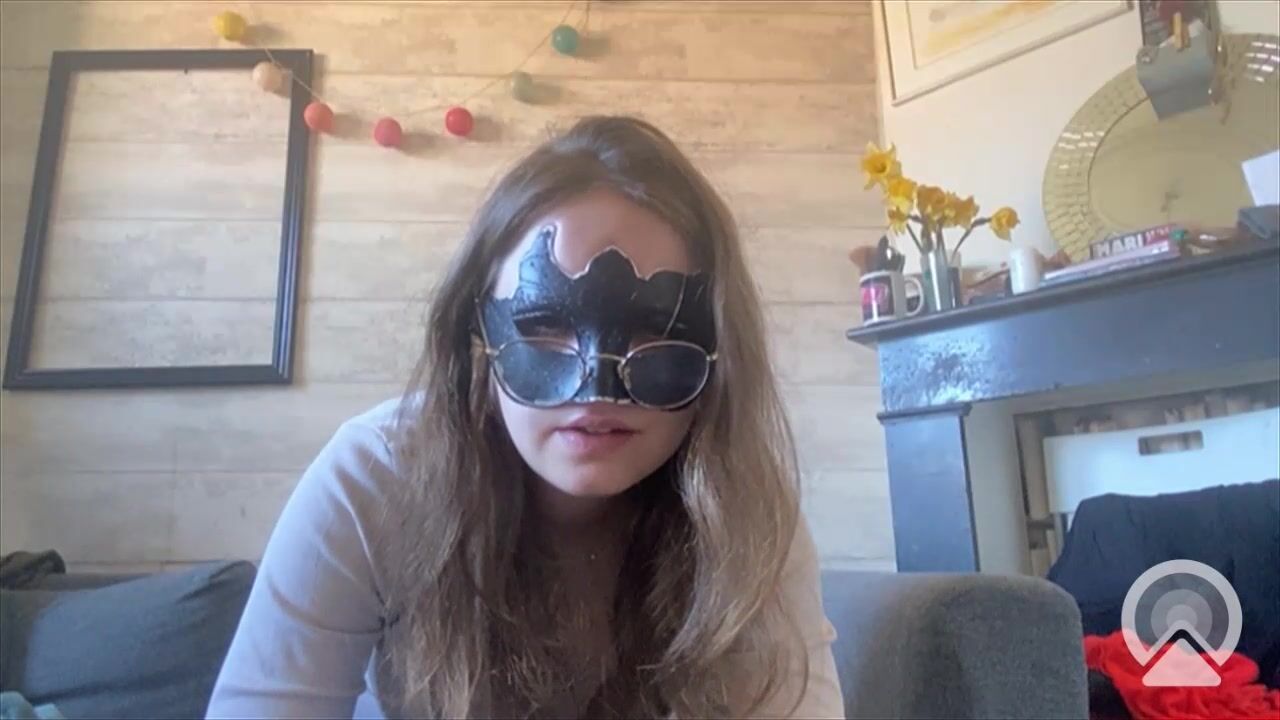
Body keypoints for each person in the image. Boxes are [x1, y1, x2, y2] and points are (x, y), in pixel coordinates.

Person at [206, 116, 844, 719]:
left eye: (658, 329)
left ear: (721, 346)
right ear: (477, 331)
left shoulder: (741, 512)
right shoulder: (377, 478)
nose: (597, 390)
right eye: (543, 326)